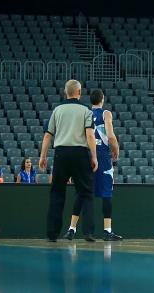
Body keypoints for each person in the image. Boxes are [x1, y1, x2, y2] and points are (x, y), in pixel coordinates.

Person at [41, 79, 98, 242]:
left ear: (65, 92)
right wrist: (93, 156)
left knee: (57, 193)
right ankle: (88, 232)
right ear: (79, 92)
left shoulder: (57, 110)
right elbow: (89, 135)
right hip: (80, 154)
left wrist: (43, 156)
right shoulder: (86, 110)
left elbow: (48, 135)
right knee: (86, 193)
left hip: (61, 154)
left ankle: (52, 234)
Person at [65, 89, 122, 242]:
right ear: (102, 99)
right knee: (106, 194)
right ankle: (107, 231)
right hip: (102, 156)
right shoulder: (106, 114)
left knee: (81, 193)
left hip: (85, 155)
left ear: (90, 101)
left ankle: (71, 229)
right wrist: (116, 148)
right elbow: (110, 135)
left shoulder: (84, 113)